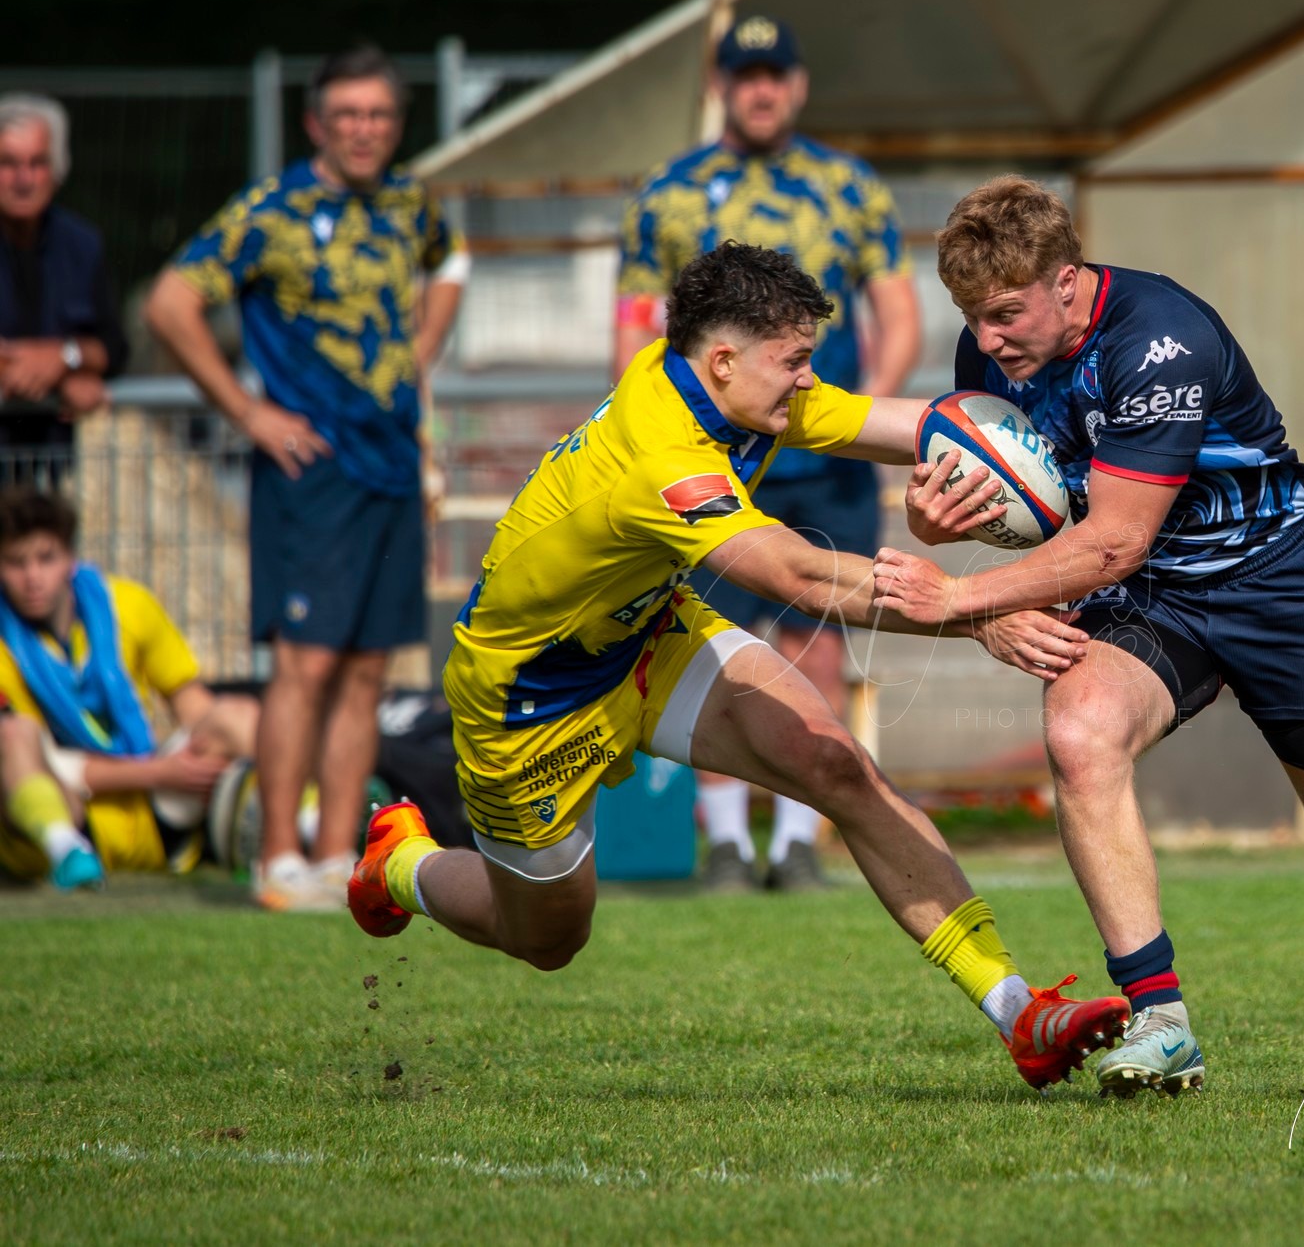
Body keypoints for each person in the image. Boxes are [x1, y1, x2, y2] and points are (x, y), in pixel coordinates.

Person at [346, 241, 1125, 1091]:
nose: (805, 381)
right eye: (792, 362)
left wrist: (1074, 444)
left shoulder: (737, 389)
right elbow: (795, 574)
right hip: (529, 700)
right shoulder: (662, 458)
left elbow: (905, 423)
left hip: (648, 637)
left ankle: (1020, 1013)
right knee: (546, 940)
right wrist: (974, 612)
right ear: (723, 359)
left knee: (834, 763)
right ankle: (400, 865)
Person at [871, 176, 1304, 1097]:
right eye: (970, 316)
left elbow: (1110, 539)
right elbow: (1019, 512)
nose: (986, 341)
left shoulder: (1161, 340)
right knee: (1079, 730)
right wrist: (947, 540)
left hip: (1274, 585)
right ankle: (1161, 1020)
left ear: (1066, 282)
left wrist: (955, 602)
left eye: (1004, 313)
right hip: (1154, 603)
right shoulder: (990, 353)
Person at [144, 44, 468, 912]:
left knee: (366, 672)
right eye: (348, 114)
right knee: (304, 666)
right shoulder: (271, 211)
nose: (364, 130)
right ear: (315, 121)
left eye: (380, 115)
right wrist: (245, 412)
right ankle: (277, 857)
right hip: (309, 477)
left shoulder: (410, 203)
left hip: (392, 471)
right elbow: (171, 303)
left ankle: (337, 857)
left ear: (397, 125)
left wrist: (422, 350)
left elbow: (453, 263)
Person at [613, 14, 920, 891]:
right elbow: (634, 326)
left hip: (820, 454)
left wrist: (855, 423)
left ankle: (795, 841)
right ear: (719, 83)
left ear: (798, 84)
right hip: (706, 456)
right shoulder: (670, 193)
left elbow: (894, 315)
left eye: (775, 73)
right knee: (714, 639)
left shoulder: (847, 185)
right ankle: (726, 845)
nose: (761, 88)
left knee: (817, 632)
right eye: (746, 73)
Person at [0, 488, 257, 890]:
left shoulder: (128, 604)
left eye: (45, 558)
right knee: (10, 734)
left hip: (153, 807)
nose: (33, 577)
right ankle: (66, 851)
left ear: (70, 557)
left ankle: (309, 831)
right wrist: (158, 772)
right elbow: (38, 756)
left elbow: (195, 706)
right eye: (16, 563)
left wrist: (214, 756)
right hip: (65, 810)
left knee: (238, 716)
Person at [0, 94, 125, 477]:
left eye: (37, 163)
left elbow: (114, 347)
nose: (24, 179)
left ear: (57, 169)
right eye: (8, 163)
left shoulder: (82, 244)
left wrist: (64, 361)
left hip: (50, 469)